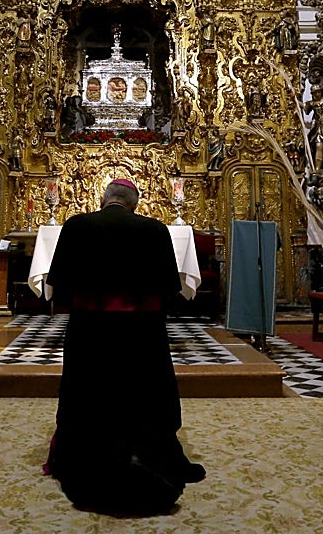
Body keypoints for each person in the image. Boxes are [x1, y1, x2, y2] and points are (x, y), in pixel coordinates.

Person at [45, 178, 205, 515]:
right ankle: (152, 454)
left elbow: (58, 285)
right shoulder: (155, 230)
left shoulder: (77, 225)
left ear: (104, 200)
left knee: (88, 391)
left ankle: (84, 458)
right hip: (141, 334)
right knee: (145, 392)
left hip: (91, 332)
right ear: (134, 204)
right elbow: (169, 292)